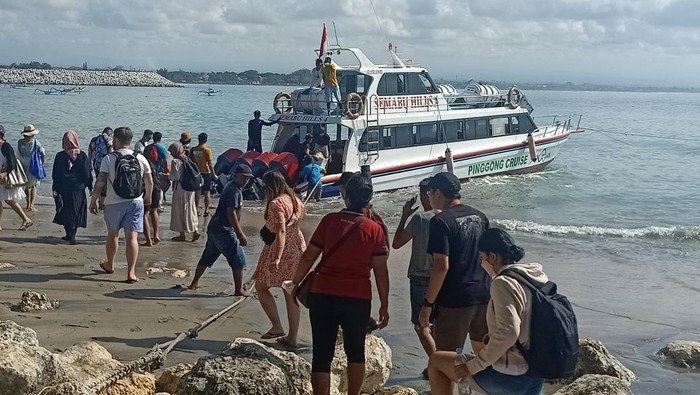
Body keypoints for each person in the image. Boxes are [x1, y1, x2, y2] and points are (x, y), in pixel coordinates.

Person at [290, 174, 389, 395]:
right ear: (368, 198)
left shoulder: (329, 220)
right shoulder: (375, 230)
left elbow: (309, 257)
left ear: (344, 194)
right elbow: (381, 273)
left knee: (322, 354)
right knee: (356, 351)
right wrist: (384, 304)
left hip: (323, 294)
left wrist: (294, 284)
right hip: (358, 297)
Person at [427, 228, 547, 395]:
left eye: (482, 258)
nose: (482, 263)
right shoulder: (532, 279)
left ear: (492, 257)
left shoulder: (502, 282)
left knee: (436, 361)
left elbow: (509, 332)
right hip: (535, 374)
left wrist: (473, 366)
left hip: (511, 377)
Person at [419, 172, 490, 354]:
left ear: (438, 193)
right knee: (484, 357)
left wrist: (428, 304)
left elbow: (441, 266)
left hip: (454, 300)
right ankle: (476, 384)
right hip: (484, 294)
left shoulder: (440, 221)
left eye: (429, 194)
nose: (428, 198)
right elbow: (489, 258)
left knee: (446, 358)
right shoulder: (480, 217)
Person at [90, 127, 153, 283]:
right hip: (136, 201)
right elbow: (149, 181)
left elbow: (100, 181)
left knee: (113, 234)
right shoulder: (140, 157)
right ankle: (131, 272)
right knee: (132, 237)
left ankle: (110, 264)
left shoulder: (109, 158)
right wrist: (147, 198)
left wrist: (93, 200)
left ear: (117, 140)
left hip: (114, 202)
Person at [391, 178, 438, 378]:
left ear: (426, 195)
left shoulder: (420, 219)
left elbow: (396, 243)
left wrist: (404, 216)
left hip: (420, 276)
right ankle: (435, 364)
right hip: (443, 277)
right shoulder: (448, 216)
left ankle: (438, 364)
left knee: (421, 326)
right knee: (435, 324)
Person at [253, 170, 307, 348]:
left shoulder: (276, 203)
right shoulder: (295, 200)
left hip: (281, 249)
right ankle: (292, 337)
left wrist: (276, 256)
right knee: (290, 293)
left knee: (261, 287)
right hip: (297, 248)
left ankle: (277, 326)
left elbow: (281, 231)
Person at [188, 164, 254, 296]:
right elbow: (231, 213)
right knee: (238, 260)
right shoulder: (235, 191)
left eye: (247, 179)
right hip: (224, 229)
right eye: (243, 178)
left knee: (208, 255)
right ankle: (239, 290)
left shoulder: (229, 185)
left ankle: (194, 283)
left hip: (214, 226)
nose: (245, 181)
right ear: (236, 176)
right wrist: (240, 233)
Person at [52, 131, 92, 244]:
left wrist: (54, 188)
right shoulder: (82, 155)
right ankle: (72, 236)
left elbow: (55, 174)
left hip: (63, 188)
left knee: (65, 210)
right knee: (76, 211)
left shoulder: (60, 156)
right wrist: (90, 186)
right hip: (78, 189)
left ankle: (68, 234)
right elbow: (87, 173)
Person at [0, 125, 33, 231]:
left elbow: (13, 163)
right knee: (5, 200)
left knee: (9, 200)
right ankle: (25, 219)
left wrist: (4, 173)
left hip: (5, 178)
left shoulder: (6, 146)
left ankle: (26, 219)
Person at [168, 142, 199, 242]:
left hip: (180, 189)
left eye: (172, 151)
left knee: (179, 210)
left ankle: (182, 234)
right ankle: (195, 230)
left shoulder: (175, 161)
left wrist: (166, 176)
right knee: (190, 209)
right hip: (190, 188)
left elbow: (175, 177)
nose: (171, 153)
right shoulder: (187, 158)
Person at [16, 124, 45, 212]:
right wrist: (42, 163)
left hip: (22, 165)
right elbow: (42, 153)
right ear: (33, 134)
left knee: (26, 186)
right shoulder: (36, 142)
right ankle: (31, 205)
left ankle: (28, 204)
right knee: (33, 186)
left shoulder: (20, 142)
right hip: (33, 166)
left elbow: (17, 154)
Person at [189, 133, 218, 216]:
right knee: (207, 192)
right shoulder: (207, 150)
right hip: (206, 172)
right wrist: (214, 174)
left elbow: (191, 161)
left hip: (197, 172)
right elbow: (209, 163)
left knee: (197, 191)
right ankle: (206, 210)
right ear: (206, 140)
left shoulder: (194, 149)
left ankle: (197, 209)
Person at [141, 146, 162, 247]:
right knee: (154, 211)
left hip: (148, 189)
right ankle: (156, 235)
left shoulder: (142, 163)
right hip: (157, 188)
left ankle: (148, 240)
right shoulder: (153, 165)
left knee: (145, 214)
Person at [88, 127, 113, 209]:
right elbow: (111, 152)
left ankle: (97, 199)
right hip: (106, 164)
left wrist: (89, 163)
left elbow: (90, 151)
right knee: (104, 183)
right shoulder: (109, 140)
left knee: (98, 180)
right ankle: (102, 202)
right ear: (110, 133)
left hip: (96, 163)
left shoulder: (94, 139)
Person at [144, 132, 170, 207]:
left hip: (149, 171)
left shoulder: (147, 147)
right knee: (160, 188)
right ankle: (159, 204)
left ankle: (149, 201)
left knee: (150, 186)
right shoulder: (162, 148)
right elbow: (164, 160)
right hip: (159, 171)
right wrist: (166, 170)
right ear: (160, 138)